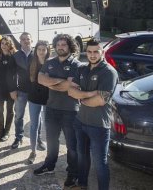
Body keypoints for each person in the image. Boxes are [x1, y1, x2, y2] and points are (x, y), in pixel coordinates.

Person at [68, 39, 118, 190]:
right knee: (82, 158)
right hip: (80, 121)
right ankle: (82, 185)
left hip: (99, 126)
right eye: (89, 52)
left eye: (96, 51)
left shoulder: (109, 72)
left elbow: (100, 100)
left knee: (100, 163)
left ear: (102, 52)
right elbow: (71, 91)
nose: (92, 55)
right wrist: (90, 93)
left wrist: (81, 98)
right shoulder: (82, 69)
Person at [33, 34, 81, 188]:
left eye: (64, 44)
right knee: (52, 142)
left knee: (71, 146)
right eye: (58, 44)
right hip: (52, 109)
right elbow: (41, 79)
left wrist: (51, 83)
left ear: (70, 46)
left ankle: (73, 173)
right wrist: (63, 82)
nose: (61, 47)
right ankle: (49, 165)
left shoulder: (77, 65)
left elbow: (72, 86)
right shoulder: (49, 62)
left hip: (71, 111)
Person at [26, 40, 50, 164]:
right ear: (36, 50)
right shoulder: (31, 61)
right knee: (34, 125)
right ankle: (33, 151)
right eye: (39, 49)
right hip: (34, 97)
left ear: (47, 51)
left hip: (48, 98)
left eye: (43, 50)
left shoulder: (51, 63)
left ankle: (49, 154)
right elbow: (26, 79)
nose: (41, 52)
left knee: (48, 125)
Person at [0, 36, 18, 142]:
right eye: (2, 43)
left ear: (10, 45)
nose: (3, 46)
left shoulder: (14, 57)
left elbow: (17, 74)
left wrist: (15, 89)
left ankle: (7, 132)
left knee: (9, 111)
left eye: (6, 44)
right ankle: (1, 131)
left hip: (11, 88)